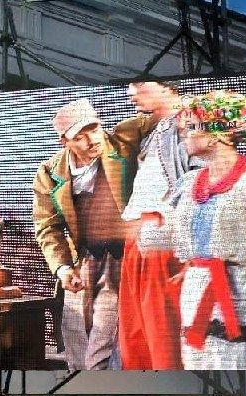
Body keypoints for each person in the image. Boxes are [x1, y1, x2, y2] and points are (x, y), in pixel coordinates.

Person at [145, 91, 246, 370]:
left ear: (216, 135)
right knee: (195, 359)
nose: (184, 135)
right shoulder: (188, 184)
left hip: (237, 285)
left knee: (230, 359)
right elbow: (169, 233)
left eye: (191, 128)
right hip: (195, 285)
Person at [33, 98, 154, 370]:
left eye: (95, 129)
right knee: (74, 336)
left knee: (101, 342)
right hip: (84, 261)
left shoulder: (121, 142)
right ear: (65, 142)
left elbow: (160, 114)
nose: (92, 140)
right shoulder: (49, 172)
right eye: (80, 136)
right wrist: (63, 268)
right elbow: (47, 226)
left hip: (122, 260)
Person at [118, 81, 202, 370]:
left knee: (161, 330)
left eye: (139, 84)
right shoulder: (154, 128)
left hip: (161, 229)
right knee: (134, 333)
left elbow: (202, 178)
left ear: (167, 86)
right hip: (137, 233)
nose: (130, 92)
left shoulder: (192, 119)